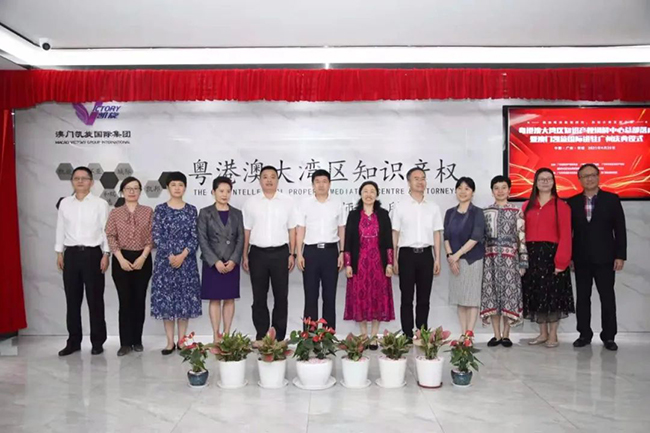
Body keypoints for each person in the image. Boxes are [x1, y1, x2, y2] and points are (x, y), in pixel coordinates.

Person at [568, 163, 626, 351]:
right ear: (579, 180)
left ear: (599, 176)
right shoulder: (572, 202)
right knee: (583, 298)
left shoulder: (612, 199)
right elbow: (569, 233)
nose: (590, 179)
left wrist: (620, 256)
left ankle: (609, 336)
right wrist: (569, 257)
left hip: (606, 258)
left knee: (607, 298)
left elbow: (620, 230)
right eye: (585, 176)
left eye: (593, 175)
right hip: (581, 258)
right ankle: (584, 334)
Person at [55, 166, 110, 356]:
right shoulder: (65, 203)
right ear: (72, 181)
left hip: (93, 254)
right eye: (76, 178)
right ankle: (73, 341)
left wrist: (106, 253)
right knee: (72, 301)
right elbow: (60, 228)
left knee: (95, 300)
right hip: (71, 255)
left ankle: (97, 341)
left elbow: (106, 230)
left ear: (91, 182)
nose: (80, 181)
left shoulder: (100, 204)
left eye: (84, 178)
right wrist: (59, 252)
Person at [242, 166, 297, 342]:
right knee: (259, 297)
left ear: (277, 180)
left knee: (281, 297)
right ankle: (261, 335)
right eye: (265, 177)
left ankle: (278, 336)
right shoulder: (251, 202)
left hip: (281, 253)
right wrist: (245, 254)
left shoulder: (287, 201)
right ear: (260, 180)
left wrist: (292, 254)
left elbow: (292, 229)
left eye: (273, 177)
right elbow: (247, 230)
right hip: (257, 254)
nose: (269, 180)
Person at [150, 172, 201, 355]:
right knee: (167, 301)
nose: (177, 188)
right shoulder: (160, 209)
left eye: (180, 185)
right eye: (173, 185)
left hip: (186, 263)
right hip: (165, 263)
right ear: (168, 187)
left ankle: (182, 341)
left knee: (185, 301)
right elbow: (157, 235)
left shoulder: (191, 210)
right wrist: (171, 255)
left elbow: (195, 236)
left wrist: (183, 255)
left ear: (185, 187)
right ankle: (169, 342)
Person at [522, 168, 573, 348]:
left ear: (553, 182)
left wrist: (561, 261)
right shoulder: (527, 205)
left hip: (552, 256)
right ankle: (542, 333)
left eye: (549, 178)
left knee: (553, 296)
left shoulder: (562, 206)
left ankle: (553, 335)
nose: (545, 182)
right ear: (535, 183)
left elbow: (566, 235)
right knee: (537, 295)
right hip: (532, 255)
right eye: (541, 179)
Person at [391, 167, 443, 338]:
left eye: (423, 178)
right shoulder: (400, 206)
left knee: (424, 298)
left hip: (426, 256)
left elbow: (436, 234)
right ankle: (406, 334)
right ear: (409, 182)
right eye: (416, 178)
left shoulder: (433, 207)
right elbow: (395, 233)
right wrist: (394, 259)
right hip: (406, 255)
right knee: (406, 298)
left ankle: (422, 333)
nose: (420, 182)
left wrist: (437, 258)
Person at [105, 177, 153, 356]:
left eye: (136, 188)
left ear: (140, 191)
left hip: (143, 258)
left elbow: (152, 236)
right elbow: (110, 236)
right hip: (121, 259)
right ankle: (125, 343)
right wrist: (120, 259)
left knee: (139, 300)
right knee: (124, 302)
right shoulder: (115, 213)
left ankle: (137, 340)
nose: (132, 192)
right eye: (128, 188)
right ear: (122, 191)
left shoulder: (148, 211)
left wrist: (143, 257)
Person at [344, 181, 395, 350]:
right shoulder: (353, 215)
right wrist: (348, 264)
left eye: (372, 191)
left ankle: (374, 336)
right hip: (359, 263)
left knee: (377, 298)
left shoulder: (383, 214)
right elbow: (348, 241)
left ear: (376, 195)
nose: (369, 194)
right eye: (365, 191)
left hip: (378, 263)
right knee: (360, 297)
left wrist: (389, 263)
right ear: (360, 194)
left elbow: (388, 241)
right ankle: (364, 335)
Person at [480, 175, 527, 347]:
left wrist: (523, 261)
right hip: (490, 260)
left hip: (510, 261)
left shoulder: (516, 211)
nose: (500, 191)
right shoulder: (485, 212)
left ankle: (506, 335)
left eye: (503, 187)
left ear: (509, 190)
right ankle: (496, 335)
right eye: (496, 188)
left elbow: (522, 237)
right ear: (492, 191)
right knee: (492, 296)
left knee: (509, 296)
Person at [296, 169, 346, 330]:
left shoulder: (337, 203)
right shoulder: (305, 203)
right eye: (317, 182)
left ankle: (328, 335)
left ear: (329, 184)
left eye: (324, 181)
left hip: (331, 252)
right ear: (313, 185)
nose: (321, 185)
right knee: (310, 296)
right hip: (310, 253)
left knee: (329, 296)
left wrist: (342, 252)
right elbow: (300, 229)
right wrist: (299, 253)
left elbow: (341, 229)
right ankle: (309, 336)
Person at [198, 177, 244, 341]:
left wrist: (234, 260)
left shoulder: (237, 213)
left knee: (229, 299)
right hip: (212, 263)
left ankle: (227, 335)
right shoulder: (205, 212)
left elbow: (241, 238)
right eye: (221, 191)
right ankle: (216, 335)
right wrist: (215, 261)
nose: (225, 195)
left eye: (228, 191)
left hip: (231, 262)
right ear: (213, 192)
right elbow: (202, 239)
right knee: (215, 299)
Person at [444, 177, 485, 334]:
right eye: (460, 188)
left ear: (472, 192)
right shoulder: (450, 213)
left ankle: (469, 334)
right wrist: (450, 256)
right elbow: (446, 237)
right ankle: (463, 334)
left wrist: (457, 255)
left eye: (467, 188)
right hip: (454, 262)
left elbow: (476, 237)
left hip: (472, 260)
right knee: (460, 299)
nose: (463, 191)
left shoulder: (477, 212)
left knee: (472, 299)